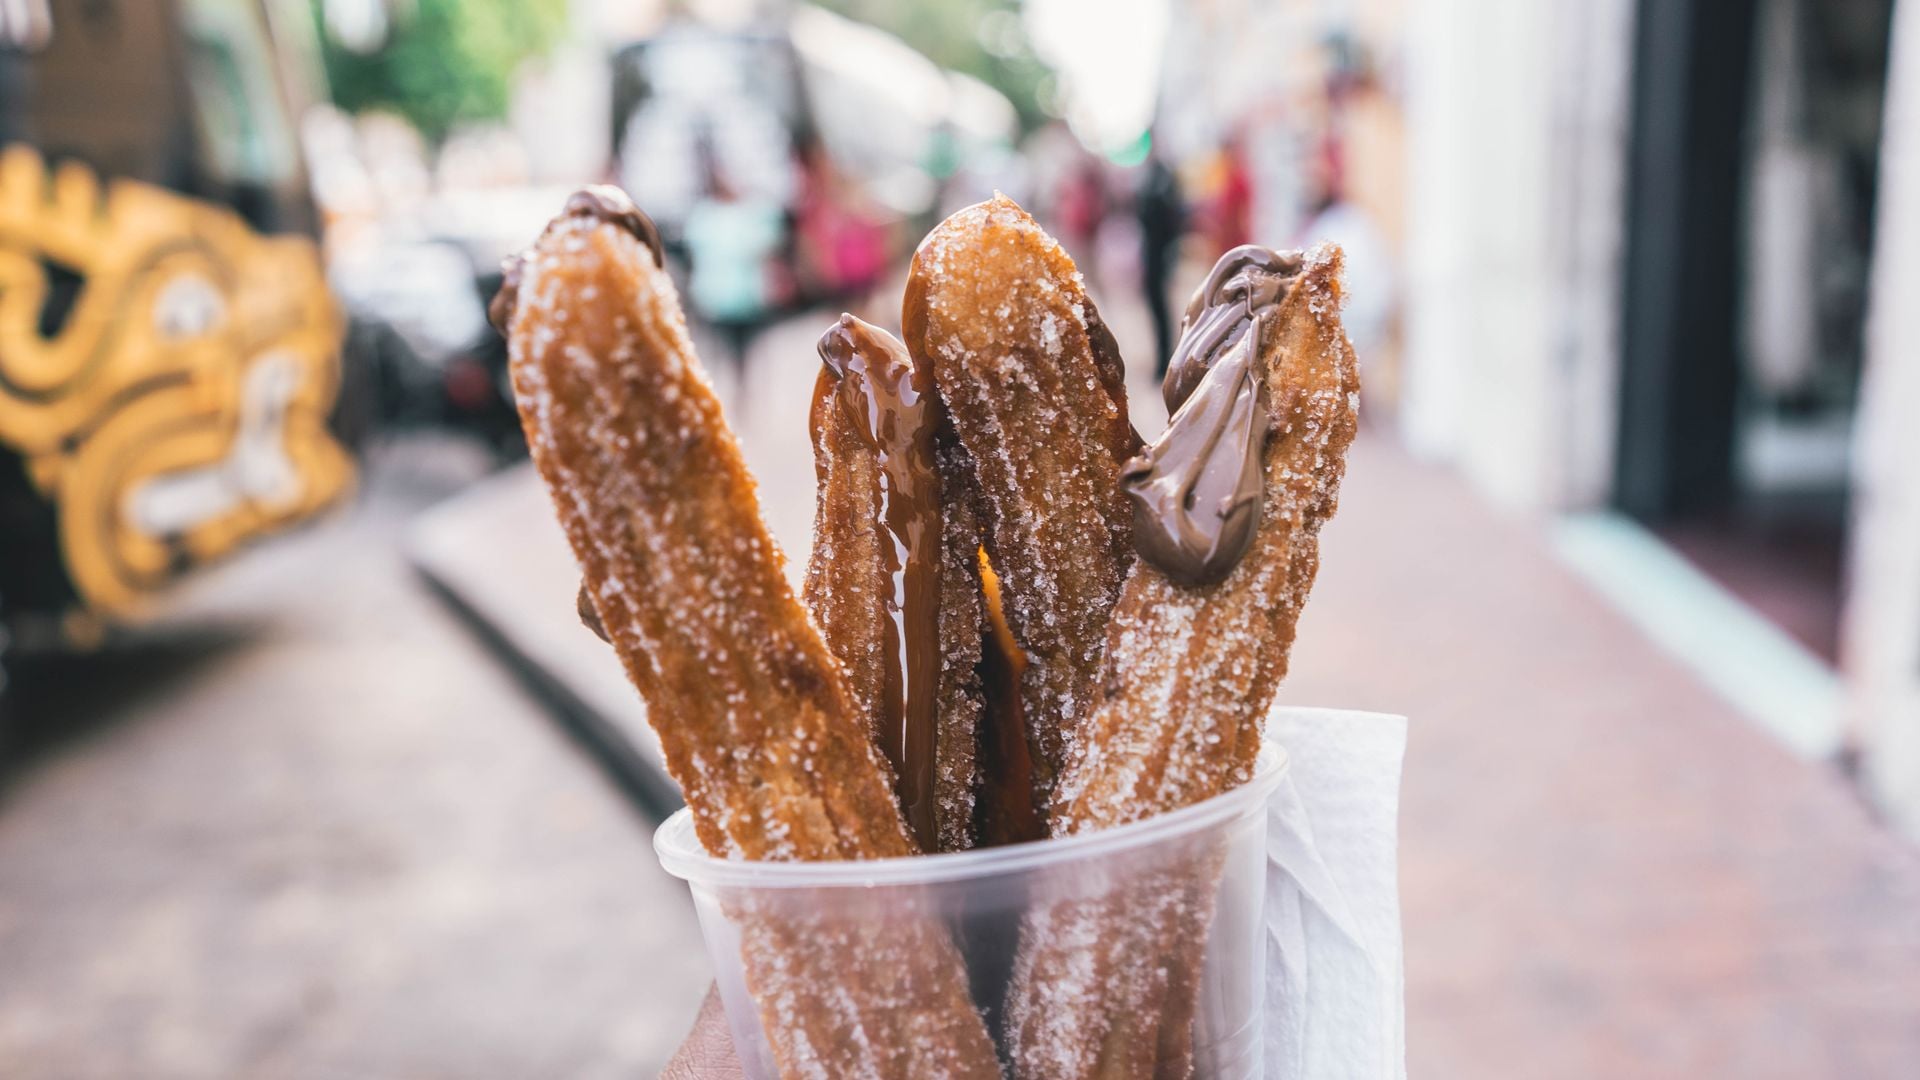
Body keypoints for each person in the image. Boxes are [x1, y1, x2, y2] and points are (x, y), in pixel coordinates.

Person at [1136, 150, 1185, 376]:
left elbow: (1169, 218)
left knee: (1162, 309)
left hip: (1159, 254)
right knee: (1156, 308)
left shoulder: (1162, 180)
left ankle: (1166, 358)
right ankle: (1162, 356)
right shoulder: (1154, 178)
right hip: (1152, 253)